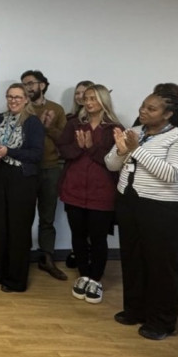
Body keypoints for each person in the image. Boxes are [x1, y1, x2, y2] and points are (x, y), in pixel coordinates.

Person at [105, 90, 178, 340]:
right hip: (130, 202)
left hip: (162, 208)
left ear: (168, 114)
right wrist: (122, 150)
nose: (143, 111)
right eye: (143, 106)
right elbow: (111, 164)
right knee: (133, 258)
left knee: (160, 266)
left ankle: (162, 322)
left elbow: (171, 174)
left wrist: (135, 150)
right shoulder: (137, 131)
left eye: (151, 109)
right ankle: (135, 309)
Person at [57, 84, 122, 304]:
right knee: (78, 234)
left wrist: (91, 147)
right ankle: (83, 274)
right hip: (74, 188)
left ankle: (96, 278)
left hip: (101, 191)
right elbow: (62, 149)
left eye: (93, 98)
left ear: (103, 100)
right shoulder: (75, 123)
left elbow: (115, 160)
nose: (89, 102)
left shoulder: (114, 127)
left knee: (98, 237)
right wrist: (80, 148)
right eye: (86, 98)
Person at [137, 83, 178, 299]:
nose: (144, 111)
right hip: (144, 190)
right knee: (148, 245)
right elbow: (133, 147)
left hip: (176, 188)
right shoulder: (142, 123)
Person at [0, 83, 45, 293]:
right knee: (0, 225)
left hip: (22, 178)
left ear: (26, 99)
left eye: (18, 97)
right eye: (10, 97)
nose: (13, 101)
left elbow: (36, 155)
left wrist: (9, 151)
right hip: (0, 174)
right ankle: (2, 272)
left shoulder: (33, 122)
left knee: (18, 228)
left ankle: (17, 280)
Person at [20, 70, 67, 280]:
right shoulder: (21, 107)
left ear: (43, 85)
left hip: (50, 168)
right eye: (25, 84)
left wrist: (46, 127)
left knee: (47, 217)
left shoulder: (56, 109)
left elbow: (64, 140)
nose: (28, 87)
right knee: (23, 216)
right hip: (26, 169)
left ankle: (47, 258)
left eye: (31, 83)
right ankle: (20, 257)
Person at [64, 79, 95, 270]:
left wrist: (90, 148)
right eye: (78, 93)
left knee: (95, 226)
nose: (81, 97)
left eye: (87, 94)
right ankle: (80, 254)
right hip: (73, 179)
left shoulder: (108, 124)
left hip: (96, 183)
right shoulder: (70, 120)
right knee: (77, 225)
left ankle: (92, 257)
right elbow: (63, 147)